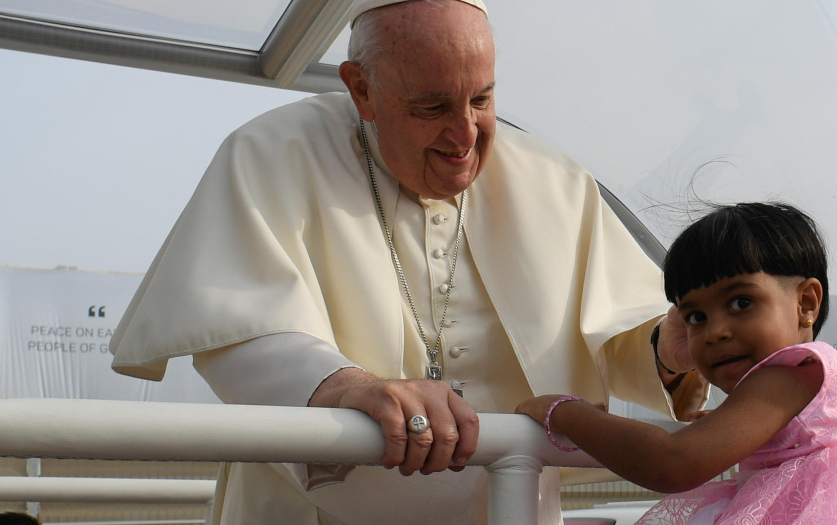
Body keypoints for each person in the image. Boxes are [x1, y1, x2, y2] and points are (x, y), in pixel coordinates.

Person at [108, 0, 706, 523]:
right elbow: (236, 325)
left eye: (482, 98)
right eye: (432, 106)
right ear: (360, 89)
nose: (465, 134)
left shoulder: (556, 182)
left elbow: (625, 330)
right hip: (317, 511)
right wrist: (344, 386)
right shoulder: (270, 154)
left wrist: (671, 350)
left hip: (506, 506)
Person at [517, 202, 837, 524]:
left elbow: (675, 462)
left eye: (740, 303)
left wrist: (565, 412)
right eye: (694, 314)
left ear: (806, 304)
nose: (715, 330)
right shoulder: (790, 386)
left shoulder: (791, 371)